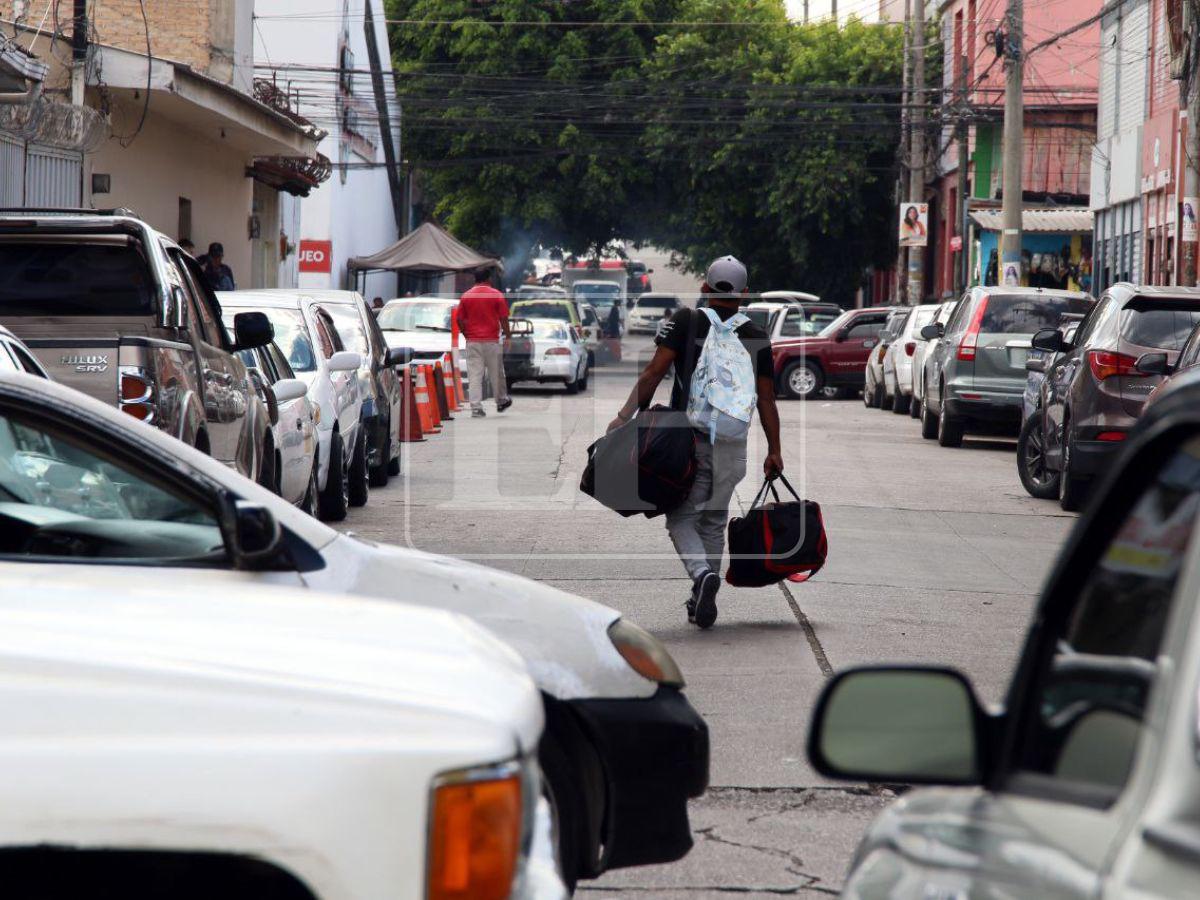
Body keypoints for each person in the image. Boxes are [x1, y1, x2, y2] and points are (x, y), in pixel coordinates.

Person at [607, 255, 783, 630]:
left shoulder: (686, 321)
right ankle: (703, 593)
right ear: (744, 293)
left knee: (680, 518)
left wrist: (624, 417)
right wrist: (774, 450)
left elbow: (654, 373)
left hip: (690, 440)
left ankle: (702, 576)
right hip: (733, 443)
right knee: (714, 519)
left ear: (705, 287)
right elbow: (766, 399)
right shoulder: (756, 335)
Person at [457, 268, 512, 418]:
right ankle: (501, 400)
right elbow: (503, 318)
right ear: (489, 278)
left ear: (475, 279)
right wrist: (508, 336)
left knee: (475, 375)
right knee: (497, 373)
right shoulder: (496, 295)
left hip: (473, 341)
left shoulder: (466, 296)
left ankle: (476, 408)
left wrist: (465, 333)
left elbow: (459, 319)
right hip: (492, 341)